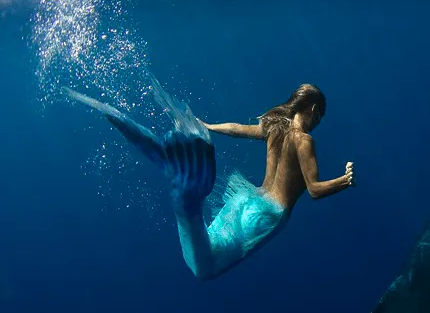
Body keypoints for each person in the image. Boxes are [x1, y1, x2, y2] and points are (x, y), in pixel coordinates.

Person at [65, 80, 355, 281]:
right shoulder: (304, 141)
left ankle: (176, 178)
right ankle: (185, 196)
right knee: (205, 269)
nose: (319, 122)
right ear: (314, 110)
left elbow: (238, 129)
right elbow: (315, 190)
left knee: (207, 250)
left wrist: (206, 126)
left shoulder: (276, 127)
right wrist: (344, 180)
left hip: (247, 198)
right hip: (269, 214)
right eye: (321, 117)